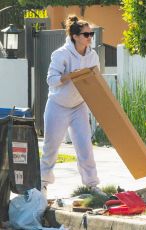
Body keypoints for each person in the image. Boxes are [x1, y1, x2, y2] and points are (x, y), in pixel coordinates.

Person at [40, 15, 103, 197]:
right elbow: (50, 80)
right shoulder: (61, 54)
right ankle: (43, 185)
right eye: (86, 34)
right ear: (75, 36)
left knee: (85, 146)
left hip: (78, 106)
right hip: (57, 105)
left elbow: (95, 80)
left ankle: (92, 185)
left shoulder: (92, 55)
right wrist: (69, 76)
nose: (90, 37)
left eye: (91, 34)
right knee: (51, 147)